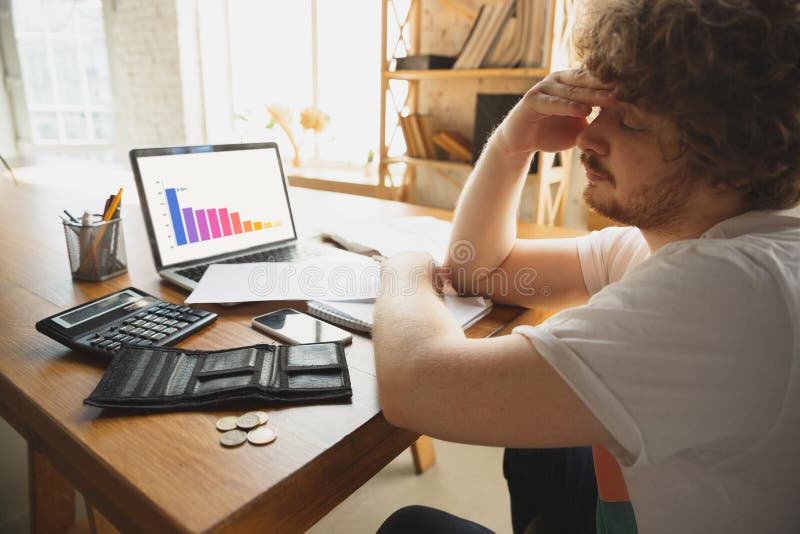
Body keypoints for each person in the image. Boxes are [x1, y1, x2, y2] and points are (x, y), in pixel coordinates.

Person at [372, 0, 800, 532]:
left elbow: (416, 387)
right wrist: (513, 140)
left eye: (633, 121)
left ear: (732, 146)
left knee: (412, 527)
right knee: (544, 450)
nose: (585, 135)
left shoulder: (730, 289)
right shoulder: (687, 242)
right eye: (600, 107)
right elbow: (481, 268)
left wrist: (401, 268)